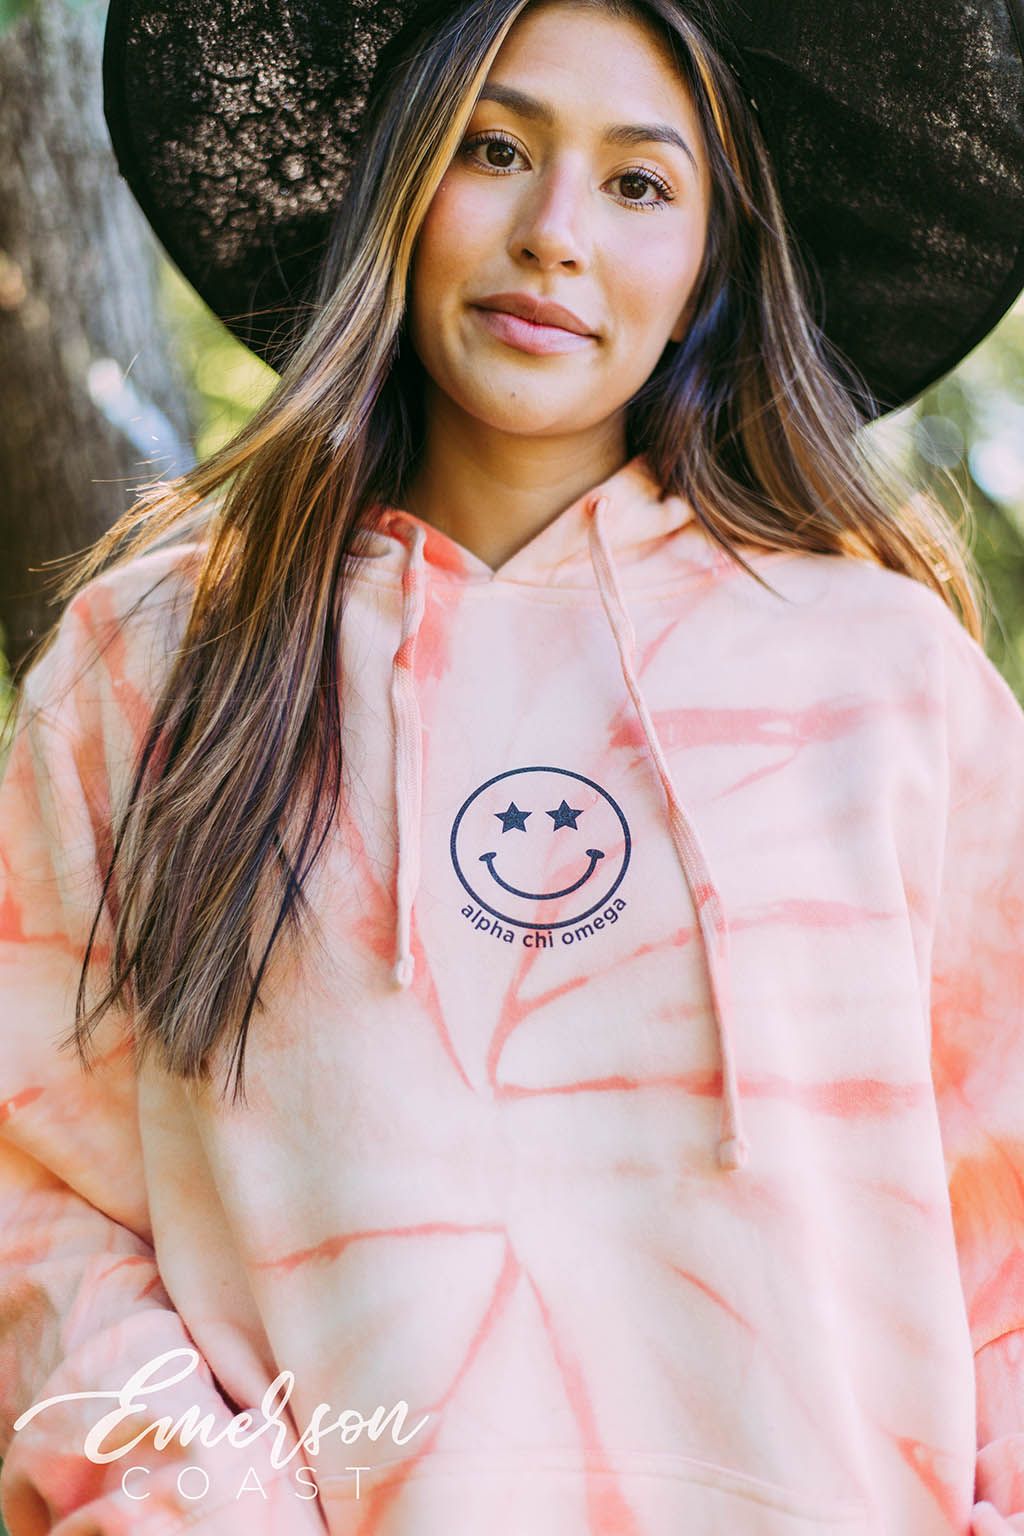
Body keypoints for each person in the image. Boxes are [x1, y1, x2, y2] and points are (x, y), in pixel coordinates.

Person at [1, 0, 1023, 1530]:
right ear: (397, 181)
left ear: (710, 264)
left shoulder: (889, 682)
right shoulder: (152, 664)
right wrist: (203, 1507)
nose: (555, 233)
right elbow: (35, 1194)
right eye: (494, 148)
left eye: (639, 182)